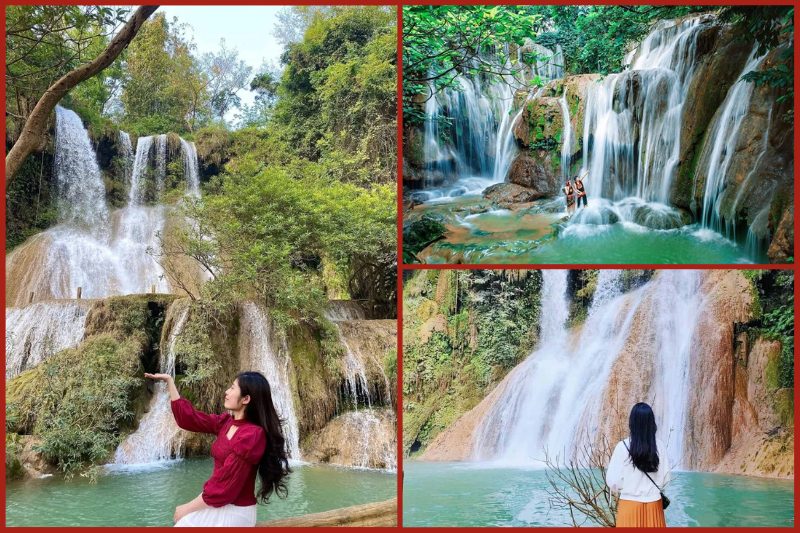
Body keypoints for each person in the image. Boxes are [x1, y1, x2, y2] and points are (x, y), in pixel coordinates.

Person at [145, 371, 291, 527]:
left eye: (232, 388)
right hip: (218, 504)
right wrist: (170, 382)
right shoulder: (227, 422)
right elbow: (191, 419)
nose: (226, 392)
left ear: (246, 399)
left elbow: (224, 487)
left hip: (235, 512)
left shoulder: (252, 435)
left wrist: (187, 508)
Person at [606, 402, 671, 527]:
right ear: (652, 423)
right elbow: (666, 479)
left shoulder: (622, 447)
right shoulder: (660, 447)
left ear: (632, 423)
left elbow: (613, 481)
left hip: (629, 506)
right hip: (654, 506)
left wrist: (627, 487)